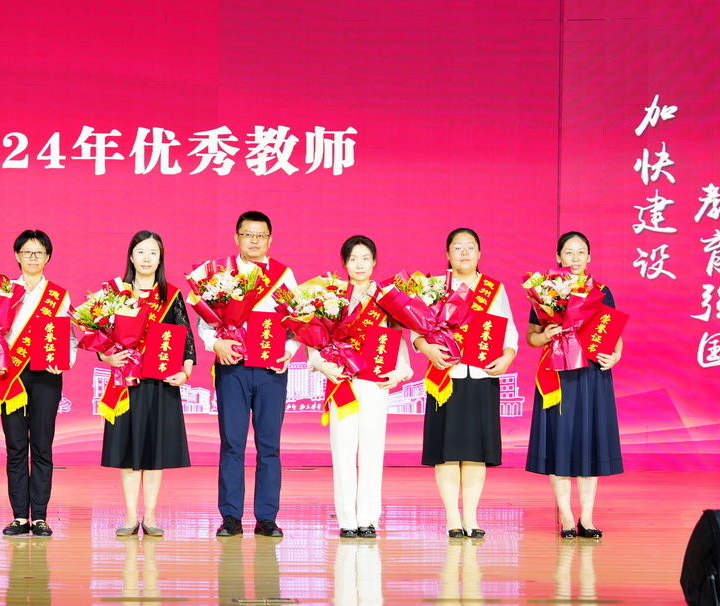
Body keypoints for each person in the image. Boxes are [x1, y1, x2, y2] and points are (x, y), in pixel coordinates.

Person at [188, 211, 300, 538]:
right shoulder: (220, 274)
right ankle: (230, 517)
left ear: (270, 239)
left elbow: (297, 321)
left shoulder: (283, 275)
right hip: (232, 368)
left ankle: (267, 518)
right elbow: (205, 322)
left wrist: (288, 352)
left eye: (260, 235)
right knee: (232, 444)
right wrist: (215, 344)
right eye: (248, 234)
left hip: (270, 370)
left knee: (269, 446)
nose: (254, 241)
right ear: (236, 237)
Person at [413, 227, 518, 538]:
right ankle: (452, 517)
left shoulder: (494, 289)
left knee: (476, 451)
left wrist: (508, 356)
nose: (464, 252)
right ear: (447, 254)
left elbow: (509, 331)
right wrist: (426, 348)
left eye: (470, 246)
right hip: (445, 376)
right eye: (457, 247)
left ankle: (471, 517)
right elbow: (415, 329)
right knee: (447, 450)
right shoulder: (434, 287)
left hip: (482, 377)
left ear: (480, 254)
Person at [308, 236, 411, 538]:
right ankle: (346, 519)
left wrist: (400, 372)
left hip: (375, 382)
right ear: (344, 263)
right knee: (342, 451)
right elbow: (313, 337)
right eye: (353, 258)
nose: (360, 264)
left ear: (375, 262)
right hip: (343, 381)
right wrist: (322, 364)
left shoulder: (386, 298)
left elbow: (397, 339)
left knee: (372, 450)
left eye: (365, 258)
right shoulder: (331, 296)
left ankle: (368, 518)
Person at [0, 230, 76, 538]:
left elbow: (70, 337)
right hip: (11, 375)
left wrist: (65, 361)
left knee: (42, 446)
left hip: (46, 375)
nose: (33, 257)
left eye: (39, 252)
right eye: (27, 252)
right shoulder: (3, 292)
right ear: (17, 256)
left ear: (48, 257)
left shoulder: (59, 295)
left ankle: (41, 517)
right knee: (16, 446)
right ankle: (20, 516)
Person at [525, 231, 623, 539]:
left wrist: (615, 356)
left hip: (592, 375)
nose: (576, 258)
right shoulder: (545, 291)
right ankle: (567, 516)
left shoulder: (602, 292)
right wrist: (546, 335)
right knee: (561, 444)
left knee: (589, 443)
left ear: (589, 257)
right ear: (558, 257)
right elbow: (531, 337)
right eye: (569, 252)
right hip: (558, 375)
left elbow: (614, 335)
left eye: (581, 252)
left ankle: (587, 517)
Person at [99, 230, 194, 537]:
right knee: (129, 453)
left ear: (160, 258)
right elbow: (99, 334)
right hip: (126, 382)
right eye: (141, 252)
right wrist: (106, 356)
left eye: (153, 252)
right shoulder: (116, 293)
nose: (147, 258)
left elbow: (186, 340)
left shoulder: (171, 295)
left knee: (155, 453)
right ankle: (130, 516)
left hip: (160, 383)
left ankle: (150, 516)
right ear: (131, 256)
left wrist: (186, 372)